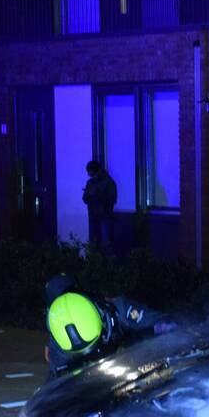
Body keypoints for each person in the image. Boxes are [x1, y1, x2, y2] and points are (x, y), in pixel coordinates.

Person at [43, 274, 175, 378]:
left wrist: (161, 336)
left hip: (139, 370)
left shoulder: (118, 310)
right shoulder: (56, 347)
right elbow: (57, 388)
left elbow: (165, 323)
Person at [82, 160, 117, 253]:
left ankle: (109, 266)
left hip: (105, 217)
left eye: (89, 171)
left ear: (94, 170)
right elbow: (84, 199)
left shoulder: (108, 182)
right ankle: (95, 265)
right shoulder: (90, 182)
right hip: (93, 217)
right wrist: (89, 193)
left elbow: (112, 200)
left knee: (106, 243)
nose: (88, 174)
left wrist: (96, 194)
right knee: (93, 243)